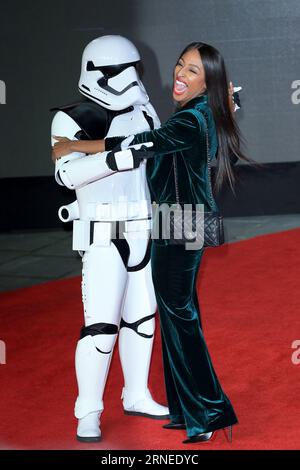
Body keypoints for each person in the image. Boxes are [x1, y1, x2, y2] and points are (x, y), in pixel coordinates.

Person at [52, 41, 255, 444]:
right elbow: (71, 176)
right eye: (181, 64)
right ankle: (174, 409)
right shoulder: (193, 112)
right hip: (158, 223)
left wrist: (79, 147)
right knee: (128, 324)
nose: (180, 74)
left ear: (208, 81)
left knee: (172, 320)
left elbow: (140, 146)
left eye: (193, 70)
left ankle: (207, 412)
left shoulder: (182, 117)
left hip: (175, 223)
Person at [51, 35, 169, 443]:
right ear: (96, 73)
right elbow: (67, 173)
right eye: (121, 71)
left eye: (135, 68)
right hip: (103, 234)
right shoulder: (71, 119)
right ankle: (88, 409)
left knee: (141, 321)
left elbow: (159, 153)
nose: (132, 79)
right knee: (100, 328)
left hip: (143, 227)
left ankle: (136, 393)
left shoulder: (144, 110)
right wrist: (115, 157)